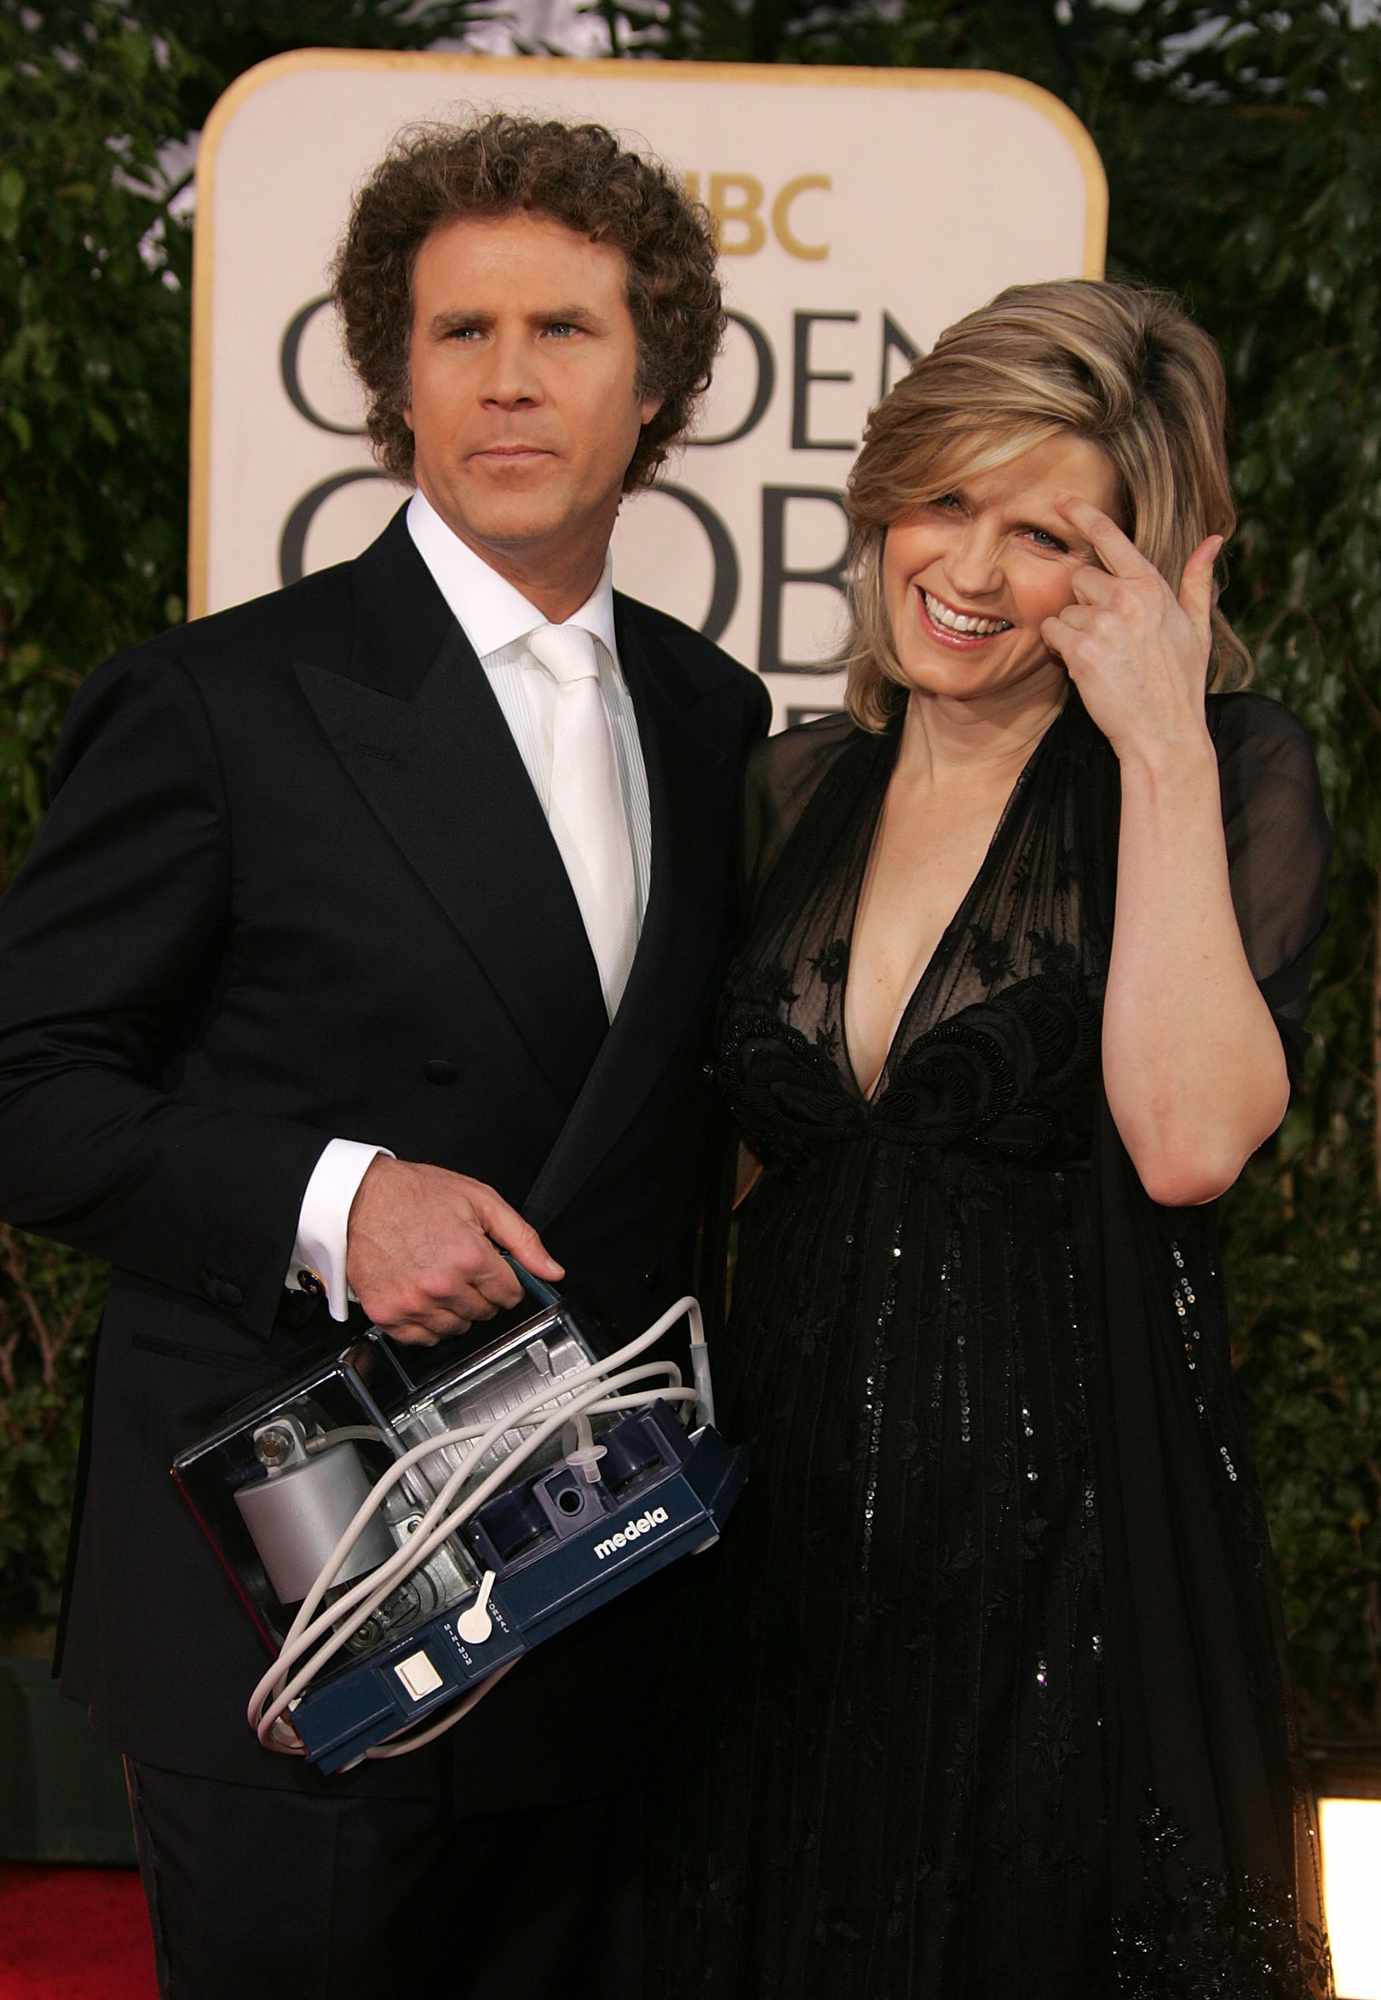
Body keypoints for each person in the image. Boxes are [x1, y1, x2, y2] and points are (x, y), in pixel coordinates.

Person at [0, 112, 769, 1998]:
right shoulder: (220, 700)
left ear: (653, 376)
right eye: (458, 333)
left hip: (601, 1578)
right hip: (302, 1596)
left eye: (566, 331)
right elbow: (24, 1082)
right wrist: (336, 1203)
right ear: (390, 374)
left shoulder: (713, 707)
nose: (510, 381)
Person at [660, 281, 1334, 1998]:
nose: (962, 569)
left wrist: (1162, 740)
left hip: (1075, 1576)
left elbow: (1188, 1144)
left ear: (1146, 566)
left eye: (1041, 533)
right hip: (780, 1565)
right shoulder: (790, 786)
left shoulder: (1221, 776)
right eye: (941, 497)